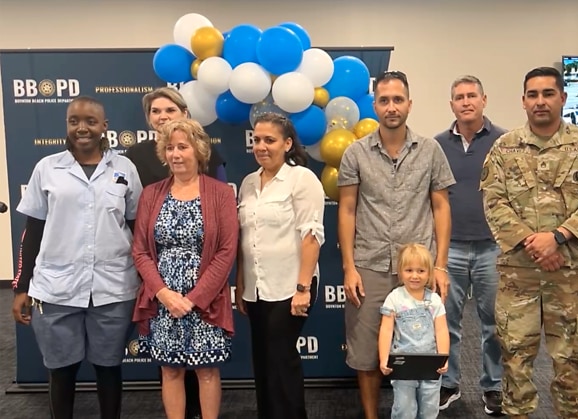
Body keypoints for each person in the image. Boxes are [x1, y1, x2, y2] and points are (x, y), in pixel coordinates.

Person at [480, 66, 578, 419]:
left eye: (548, 94)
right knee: (515, 359)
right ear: (523, 101)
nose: (540, 101)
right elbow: (494, 202)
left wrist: (557, 238)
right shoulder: (503, 148)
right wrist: (534, 243)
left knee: (571, 362)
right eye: (533, 95)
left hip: (570, 277)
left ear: (563, 98)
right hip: (518, 276)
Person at [11, 96, 143, 419]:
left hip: (112, 288)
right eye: (74, 121)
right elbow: (33, 233)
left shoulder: (124, 169)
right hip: (56, 289)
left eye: (90, 121)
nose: (82, 128)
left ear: (104, 127)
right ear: (67, 124)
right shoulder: (47, 168)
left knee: (108, 368)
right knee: (61, 370)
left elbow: (136, 227)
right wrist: (21, 287)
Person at [338, 70, 456, 419]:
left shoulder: (431, 150)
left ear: (409, 104)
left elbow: (441, 206)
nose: (392, 107)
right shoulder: (355, 153)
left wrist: (440, 265)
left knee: (422, 351)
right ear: (375, 105)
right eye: (385, 100)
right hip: (369, 266)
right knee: (365, 353)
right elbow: (346, 210)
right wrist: (349, 267)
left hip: (418, 269)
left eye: (398, 100)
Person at [124, 86, 227, 419]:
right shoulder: (152, 194)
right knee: (170, 370)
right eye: (170, 148)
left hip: (206, 300)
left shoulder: (220, 193)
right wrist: (165, 294)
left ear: (197, 149)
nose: (176, 154)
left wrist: (195, 298)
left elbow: (225, 251)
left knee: (207, 370)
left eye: (182, 147)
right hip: (163, 299)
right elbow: (140, 250)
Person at [235, 112, 324, 419]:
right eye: (257, 140)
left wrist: (302, 289)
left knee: (281, 358)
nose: (261, 146)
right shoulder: (248, 183)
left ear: (287, 144)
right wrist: (241, 284)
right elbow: (246, 239)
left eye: (269, 140)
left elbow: (311, 236)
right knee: (262, 359)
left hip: (290, 286)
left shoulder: (301, 179)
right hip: (257, 288)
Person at [433, 75, 506, 415]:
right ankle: (449, 384)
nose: (466, 102)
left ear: (483, 100)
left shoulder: (504, 141)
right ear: (452, 105)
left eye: (471, 96)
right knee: (448, 322)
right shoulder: (437, 145)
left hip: (493, 247)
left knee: (493, 323)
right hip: (450, 249)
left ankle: (493, 386)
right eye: (459, 97)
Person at [379, 243, 450, 419]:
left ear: (429, 273)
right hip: (404, 365)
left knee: (429, 409)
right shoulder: (394, 298)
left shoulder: (434, 300)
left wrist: (443, 357)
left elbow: (441, 331)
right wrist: (384, 358)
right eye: (409, 270)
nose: (415, 276)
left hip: (431, 364)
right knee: (404, 409)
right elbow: (386, 330)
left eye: (421, 271)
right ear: (400, 271)